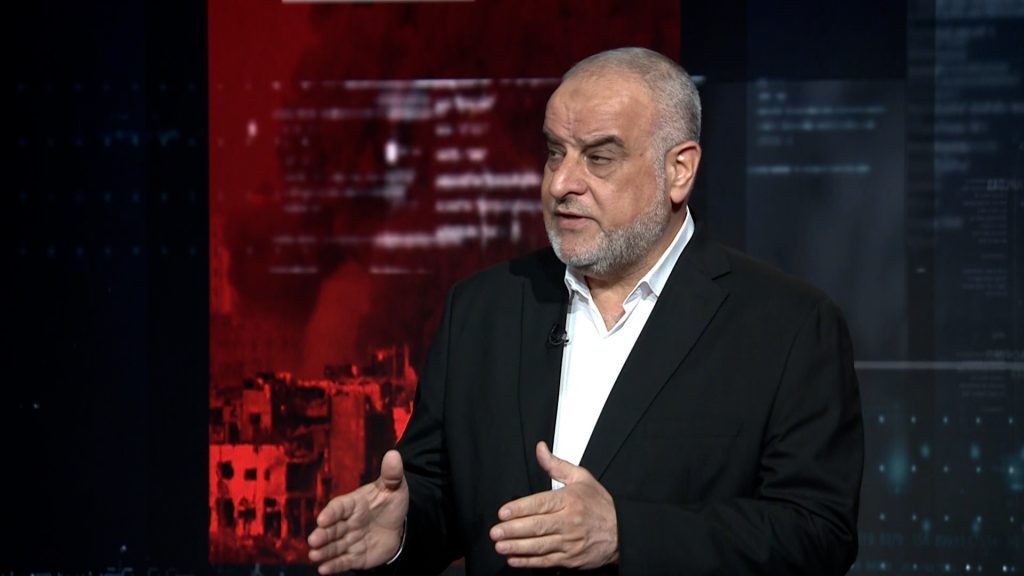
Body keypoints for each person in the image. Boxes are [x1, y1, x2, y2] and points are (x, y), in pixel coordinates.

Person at [307, 47, 864, 575]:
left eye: (598, 157)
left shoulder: (787, 327)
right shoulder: (482, 309)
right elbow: (445, 495)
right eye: (555, 152)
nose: (561, 183)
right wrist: (402, 531)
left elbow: (817, 535)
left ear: (679, 170)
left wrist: (625, 535)